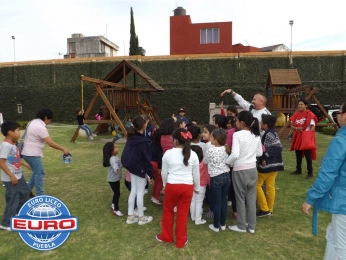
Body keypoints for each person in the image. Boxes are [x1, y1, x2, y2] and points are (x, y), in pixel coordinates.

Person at [302, 101, 346, 259]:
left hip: (343, 204)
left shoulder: (341, 141)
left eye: (339, 112)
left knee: (342, 247)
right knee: (332, 235)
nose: (338, 116)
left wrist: (311, 198)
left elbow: (328, 173)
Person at [156, 128, 200, 249]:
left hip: (172, 186)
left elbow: (164, 173)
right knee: (182, 214)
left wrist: (165, 185)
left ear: (175, 141)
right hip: (187, 187)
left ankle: (166, 236)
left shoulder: (168, 153)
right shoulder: (194, 154)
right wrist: (197, 188)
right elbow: (196, 175)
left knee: (168, 211)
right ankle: (181, 240)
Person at [226, 111, 262, 234]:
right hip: (253, 169)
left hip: (240, 170)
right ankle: (251, 226)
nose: (235, 123)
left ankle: (241, 225)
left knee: (240, 198)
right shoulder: (256, 135)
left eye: (236, 121)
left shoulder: (237, 135)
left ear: (241, 122)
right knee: (251, 199)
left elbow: (235, 154)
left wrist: (227, 162)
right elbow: (259, 153)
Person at [22, 108, 69, 196]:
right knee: (40, 172)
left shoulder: (32, 122)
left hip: (27, 152)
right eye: (50, 119)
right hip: (32, 154)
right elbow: (50, 143)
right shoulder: (40, 127)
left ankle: (27, 191)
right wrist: (63, 149)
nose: (49, 121)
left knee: (37, 172)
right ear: (46, 117)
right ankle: (40, 194)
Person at [121, 115, 154, 225]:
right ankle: (141, 217)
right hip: (139, 170)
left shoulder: (131, 138)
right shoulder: (143, 141)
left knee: (134, 191)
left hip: (132, 169)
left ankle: (130, 216)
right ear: (144, 125)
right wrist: (150, 174)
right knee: (139, 193)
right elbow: (147, 160)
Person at [0, 121, 31, 231]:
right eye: (18, 130)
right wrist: (11, 176)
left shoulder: (12, 144)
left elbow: (11, 159)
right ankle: (6, 223)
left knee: (25, 192)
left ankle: (17, 213)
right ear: (10, 132)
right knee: (13, 199)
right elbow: (1, 162)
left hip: (19, 176)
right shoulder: (5, 146)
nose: (19, 133)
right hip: (11, 178)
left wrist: (22, 163)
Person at [256, 114, 284, 217]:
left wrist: (265, 157)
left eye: (261, 123)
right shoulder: (271, 133)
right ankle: (269, 209)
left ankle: (264, 208)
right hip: (275, 165)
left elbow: (278, 148)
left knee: (257, 185)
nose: (260, 124)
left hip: (268, 165)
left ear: (265, 124)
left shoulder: (269, 134)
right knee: (270, 187)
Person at [204, 128, 231, 232]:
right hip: (226, 176)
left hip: (216, 178)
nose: (210, 138)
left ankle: (216, 226)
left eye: (211, 136)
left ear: (215, 139)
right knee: (223, 200)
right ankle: (223, 224)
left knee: (217, 202)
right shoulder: (226, 149)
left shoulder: (211, 150)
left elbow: (205, 161)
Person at [290, 99, 318, 179]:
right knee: (297, 154)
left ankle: (310, 172)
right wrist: (296, 128)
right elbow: (292, 125)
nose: (299, 106)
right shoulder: (296, 114)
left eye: (301, 104)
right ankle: (298, 170)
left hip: (305, 137)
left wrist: (308, 135)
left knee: (307, 155)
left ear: (306, 105)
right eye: (299, 104)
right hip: (298, 136)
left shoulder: (310, 114)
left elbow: (313, 125)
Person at [102, 142, 123, 217]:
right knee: (117, 193)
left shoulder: (115, 157)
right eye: (116, 147)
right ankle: (116, 210)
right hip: (113, 180)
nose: (118, 148)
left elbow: (120, 164)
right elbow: (115, 165)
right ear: (111, 150)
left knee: (116, 192)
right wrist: (116, 169)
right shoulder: (112, 159)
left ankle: (113, 205)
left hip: (115, 179)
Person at [190, 145, 208, 225]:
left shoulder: (190, 164)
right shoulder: (204, 163)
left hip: (192, 184)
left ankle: (193, 217)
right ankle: (198, 220)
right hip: (202, 185)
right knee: (199, 202)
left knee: (193, 201)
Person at [202, 124, 217, 218]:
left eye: (205, 132)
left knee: (210, 192)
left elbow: (205, 160)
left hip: (209, 172)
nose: (203, 134)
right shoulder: (221, 144)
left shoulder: (207, 145)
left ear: (211, 134)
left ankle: (212, 210)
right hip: (219, 172)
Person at [151, 129, 163, 205]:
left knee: (156, 180)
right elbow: (159, 157)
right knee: (160, 181)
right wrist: (160, 167)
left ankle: (153, 196)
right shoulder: (160, 146)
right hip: (156, 164)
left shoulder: (152, 144)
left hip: (151, 163)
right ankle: (156, 197)